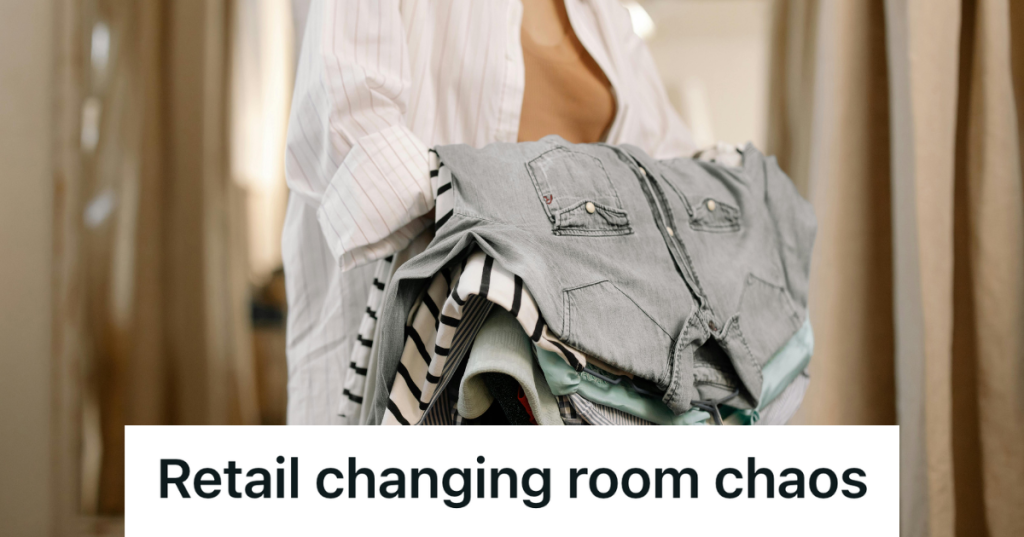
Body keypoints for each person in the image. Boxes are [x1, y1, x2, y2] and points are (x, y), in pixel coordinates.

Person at [283, 0, 696, 424]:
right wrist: (529, 230)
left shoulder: (608, 14)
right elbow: (350, 127)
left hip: (582, 368)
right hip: (423, 351)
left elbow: (663, 169)